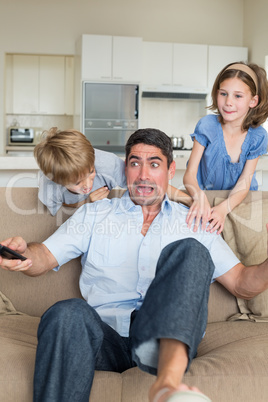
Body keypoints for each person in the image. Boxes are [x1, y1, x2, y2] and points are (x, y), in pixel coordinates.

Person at [1, 128, 268, 402]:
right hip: (105, 339)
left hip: (162, 339)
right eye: (134, 163)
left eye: (154, 164)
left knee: (191, 250)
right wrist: (24, 254)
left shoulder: (195, 222)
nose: (143, 175)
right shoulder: (95, 213)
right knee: (66, 313)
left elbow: (242, 284)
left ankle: (168, 383)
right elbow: (44, 256)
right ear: (124, 168)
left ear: (170, 170)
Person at [183, 62, 268, 234]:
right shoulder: (207, 126)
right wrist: (199, 197)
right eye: (223, 93)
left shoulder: (259, 136)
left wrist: (223, 209)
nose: (228, 102)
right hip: (205, 199)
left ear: (253, 101)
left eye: (238, 96)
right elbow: (190, 175)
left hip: (241, 202)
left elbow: (244, 184)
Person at [34, 127, 191, 216]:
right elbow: (59, 214)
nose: (88, 185)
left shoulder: (106, 164)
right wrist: (85, 203)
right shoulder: (50, 188)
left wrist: (192, 201)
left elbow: (150, 183)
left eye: (91, 172)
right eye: (77, 182)